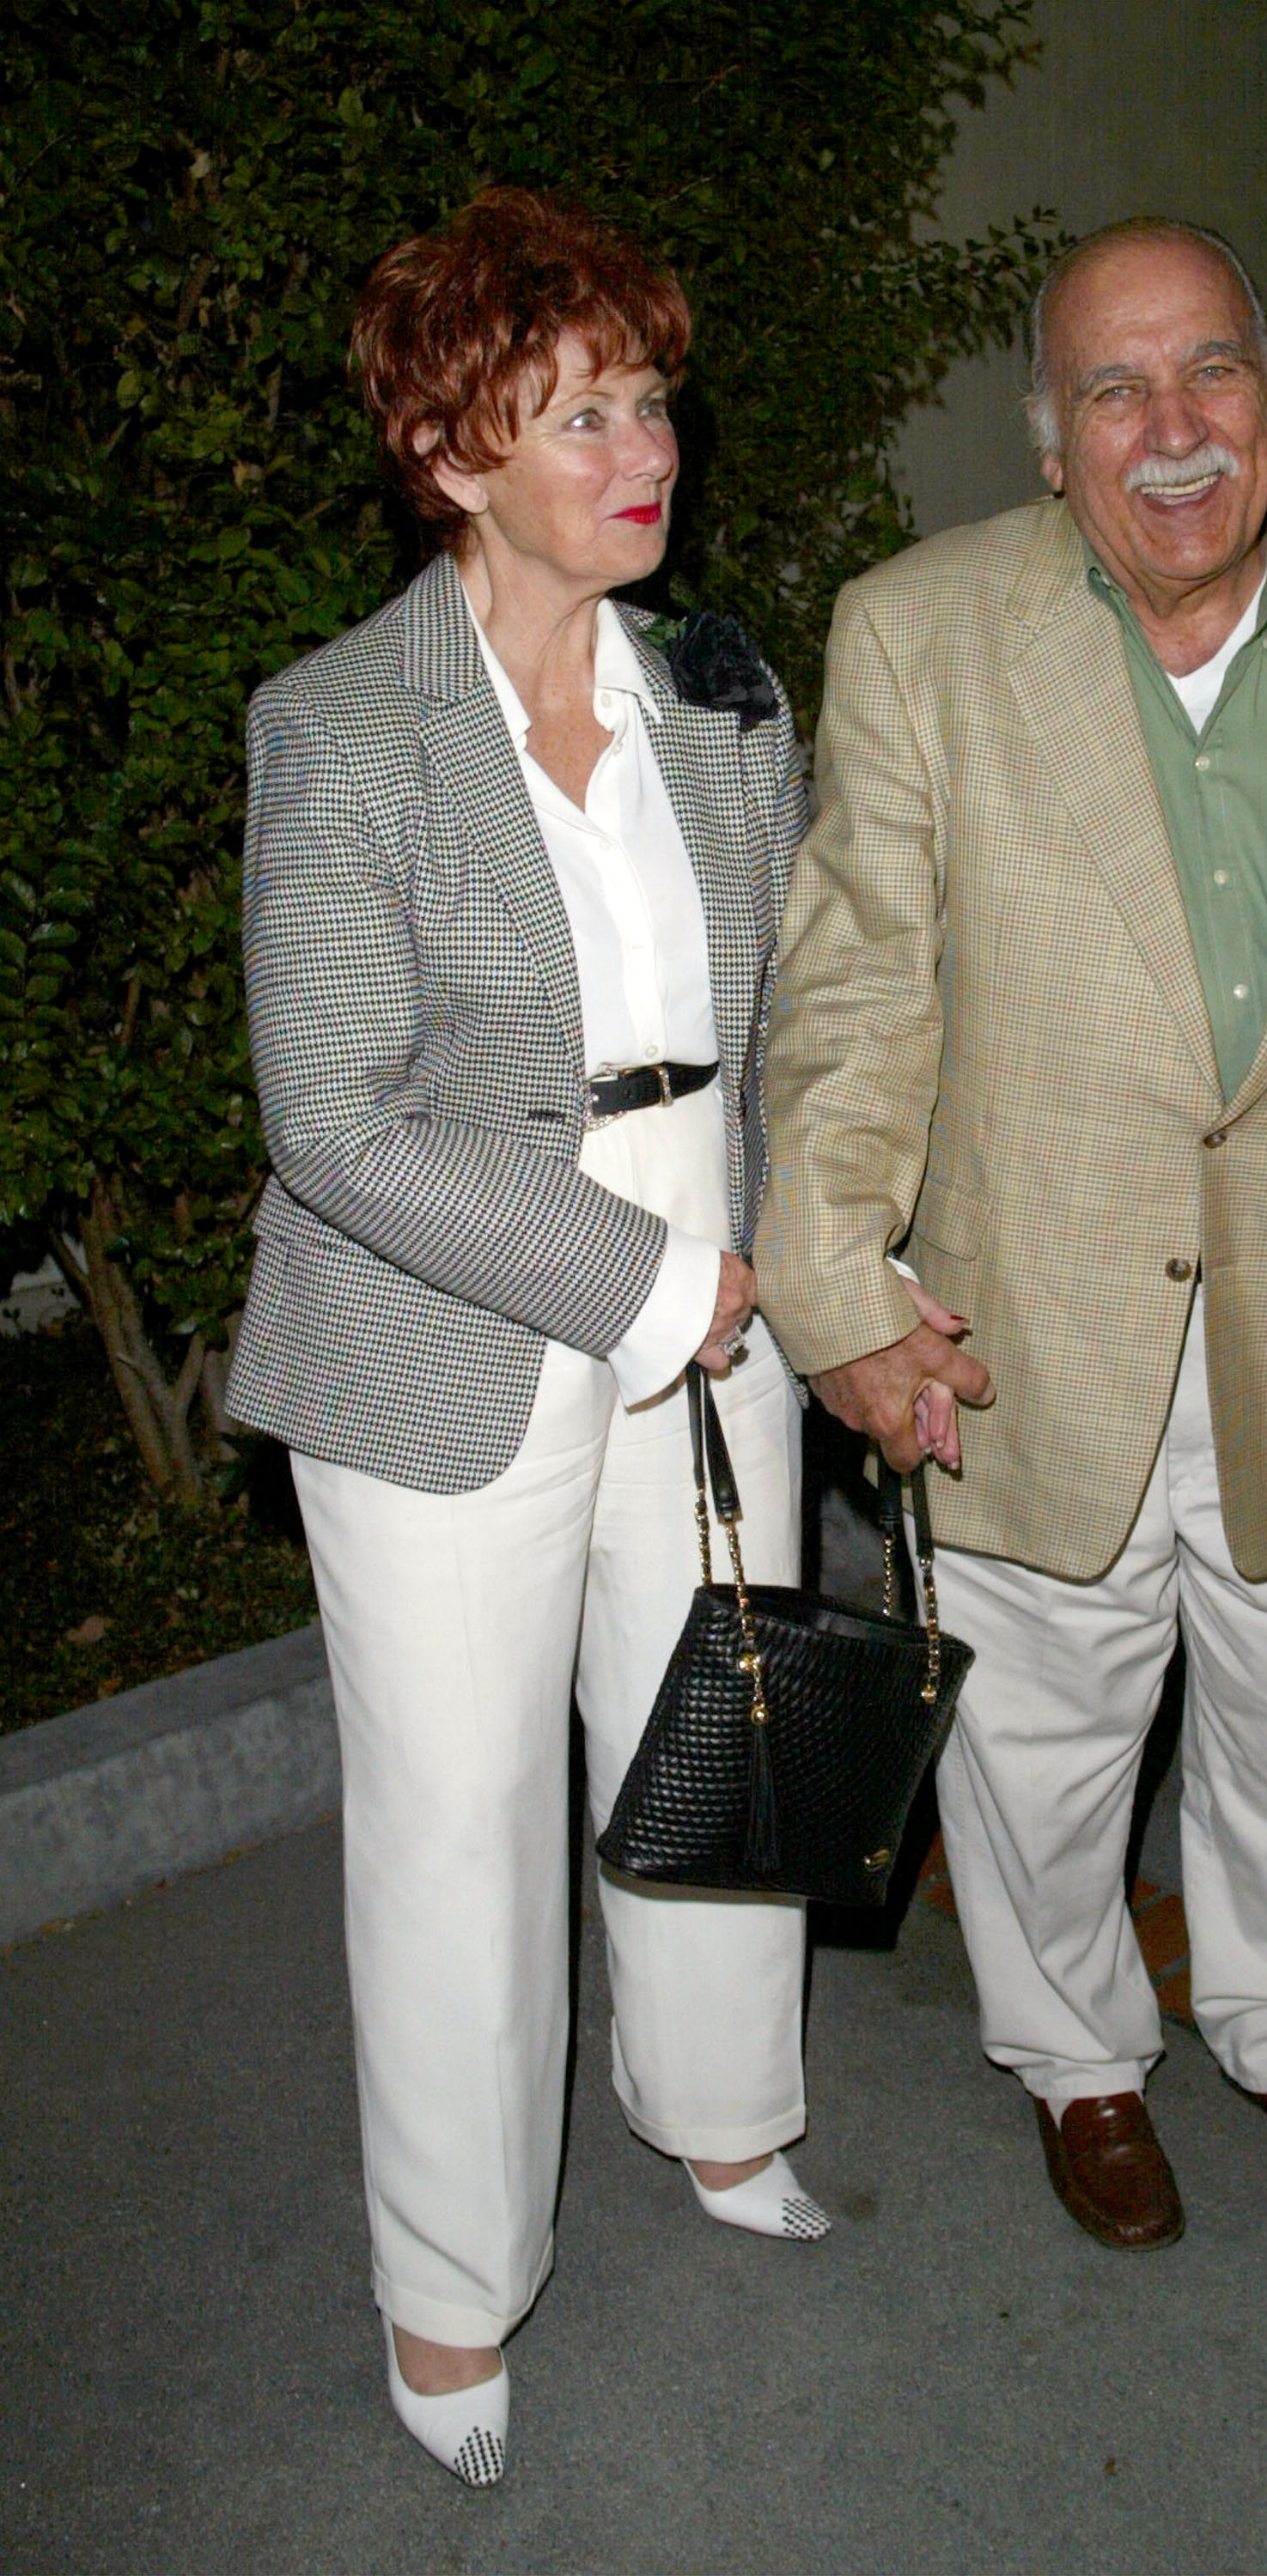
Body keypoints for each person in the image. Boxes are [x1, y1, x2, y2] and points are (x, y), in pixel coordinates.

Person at [755, 219, 1267, 2251]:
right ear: (1050, 444)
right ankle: (1079, 2060)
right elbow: (850, 998)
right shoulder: (919, 637)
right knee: (1038, 1751)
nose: (1170, 429)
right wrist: (837, 1286)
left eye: (1209, 373)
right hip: (1022, 1332)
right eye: (1113, 389)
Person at [228, 187, 827, 2488]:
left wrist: (816, 1263)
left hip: (727, 1282)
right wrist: (656, 1288)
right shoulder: (344, 728)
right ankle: (451, 2298)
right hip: (437, 1338)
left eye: (647, 396)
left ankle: (722, 2115)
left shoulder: (719, 691)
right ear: (444, 448)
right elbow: (340, 1127)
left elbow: (791, 1023)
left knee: (720, 1725)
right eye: (575, 411)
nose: (639, 444)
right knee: (461, 1826)